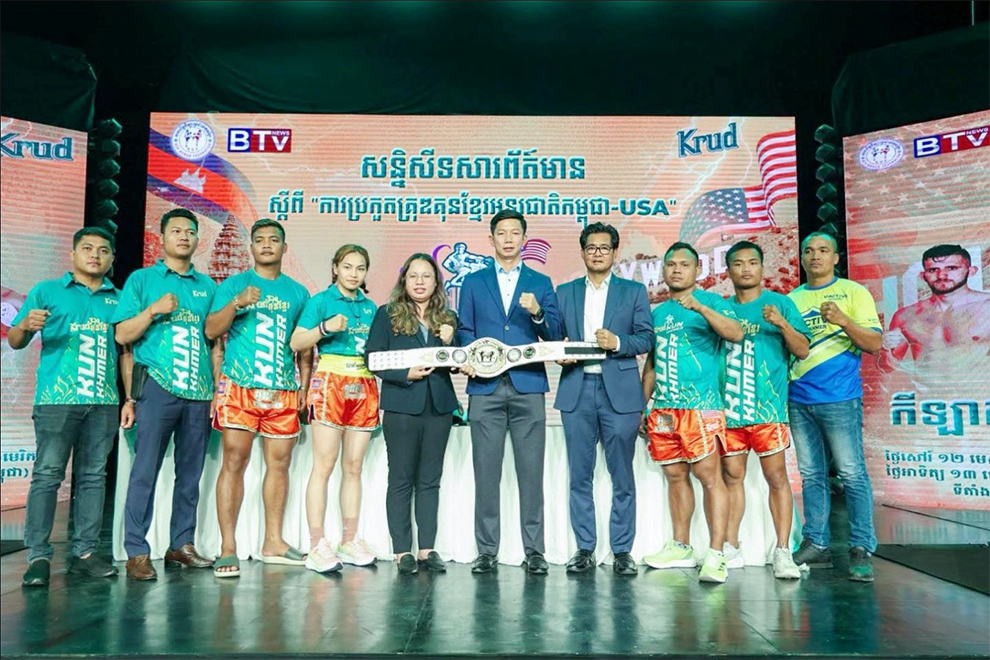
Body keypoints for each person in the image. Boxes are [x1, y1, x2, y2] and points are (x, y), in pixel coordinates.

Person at [11, 227, 132, 587]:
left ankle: (86, 553)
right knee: (48, 475)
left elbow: (125, 352)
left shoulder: (119, 299)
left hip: (103, 402)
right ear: (74, 254)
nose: (95, 255)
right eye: (88, 248)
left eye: (103, 250)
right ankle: (38, 556)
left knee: (93, 477)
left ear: (111, 259)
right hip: (56, 400)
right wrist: (25, 326)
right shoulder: (47, 291)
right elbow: (15, 340)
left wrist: (129, 398)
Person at [114, 208, 222, 580]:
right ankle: (136, 551)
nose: (183, 237)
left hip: (199, 392)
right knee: (145, 471)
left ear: (197, 239)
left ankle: (181, 545)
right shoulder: (142, 280)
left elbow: (215, 344)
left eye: (190, 231)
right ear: (162, 238)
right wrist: (153, 311)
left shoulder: (207, 286)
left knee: (190, 475)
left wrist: (216, 389)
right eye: (175, 231)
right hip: (157, 388)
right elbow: (123, 336)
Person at [456, 209, 562, 575]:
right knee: (486, 473)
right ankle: (487, 550)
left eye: (515, 233)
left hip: (527, 385)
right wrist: (469, 356)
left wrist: (537, 312)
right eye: (501, 233)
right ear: (491, 239)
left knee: (531, 474)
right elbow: (465, 329)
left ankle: (535, 551)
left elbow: (553, 334)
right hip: (484, 388)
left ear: (524, 239)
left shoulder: (541, 282)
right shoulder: (473, 282)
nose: (508, 239)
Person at [205, 219, 313, 577]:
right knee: (233, 462)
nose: (267, 245)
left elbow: (304, 347)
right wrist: (237, 303)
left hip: (282, 390)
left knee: (279, 465)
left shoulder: (298, 292)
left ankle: (274, 543)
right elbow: (212, 330)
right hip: (241, 387)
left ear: (284, 247)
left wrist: (304, 387)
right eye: (260, 240)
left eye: (274, 240)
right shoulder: (234, 285)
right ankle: (227, 548)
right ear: (251, 248)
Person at [640, 242, 743, 584]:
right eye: (671, 265)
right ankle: (681, 546)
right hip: (664, 409)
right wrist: (642, 404)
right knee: (674, 476)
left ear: (698, 270)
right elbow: (652, 364)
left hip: (701, 406)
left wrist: (700, 307)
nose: (677, 270)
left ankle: (716, 554)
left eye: (684, 265)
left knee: (709, 477)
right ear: (664, 270)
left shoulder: (712, 301)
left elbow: (736, 333)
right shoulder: (657, 313)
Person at [554, 223, 653, 576]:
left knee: (622, 475)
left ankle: (622, 550)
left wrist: (619, 343)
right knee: (579, 476)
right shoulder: (564, 292)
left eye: (604, 247)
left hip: (620, 392)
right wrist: (560, 353)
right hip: (577, 389)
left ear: (615, 252)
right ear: (582, 252)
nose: (597, 253)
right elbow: (555, 338)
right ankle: (585, 549)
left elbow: (646, 339)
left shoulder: (633, 291)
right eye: (591, 247)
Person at [788, 232, 882, 582]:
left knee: (852, 473)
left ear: (836, 258)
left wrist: (844, 320)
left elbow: (874, 343)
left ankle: (861, 548)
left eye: (823, 250)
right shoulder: (792, 299)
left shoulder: (853, 293)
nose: (815, 256)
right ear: (801, 258)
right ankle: (817, 543)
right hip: (799, 398)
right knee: (812, 476)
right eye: (809, 251)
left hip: (840, 398)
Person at [719, 241, 811, 579]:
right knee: (732, 478)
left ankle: (783, 551)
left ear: (761, 267)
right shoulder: (722, 308)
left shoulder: (779, 303)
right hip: (730, 411)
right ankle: (731, 547)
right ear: (728, 270)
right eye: (738, 263)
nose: (746, 269)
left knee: (776, 478)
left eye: (752, 263)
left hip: (768, 412)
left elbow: (802, 350)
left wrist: (782, 323)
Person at [365, 253, 459, 575]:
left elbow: (458, 361)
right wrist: (405, 373)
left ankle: (427, 549)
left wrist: (453, 339)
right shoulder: (387, 313)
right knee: (401, 479)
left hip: (439, 407)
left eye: (426, 276)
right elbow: (372, 358)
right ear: (404, 280)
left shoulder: (447, 317)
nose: (420, 282)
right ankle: (402, 550)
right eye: (413, 276)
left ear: (436, 282)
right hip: (402, 406)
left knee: (430, 480)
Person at [290, 244, 378, 573]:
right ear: (335, 268)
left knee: (353, 467)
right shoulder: (321, 301)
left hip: (364, 384)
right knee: (324, 466)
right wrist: (324, 328)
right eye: (348, 267)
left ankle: (349, 540)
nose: (354, 274)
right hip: (330, 383)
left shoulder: (370, 307)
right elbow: (296, 342)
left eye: (360, 268)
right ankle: (316, 545)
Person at [879, 244, 990, 382]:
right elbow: (886, 368)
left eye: (951, 268)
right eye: (933, 270)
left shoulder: (987, 307)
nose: (942, 275)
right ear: (923, 276)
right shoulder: (905, 316)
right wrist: (886, 348)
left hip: (979, 392)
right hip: (931, 393)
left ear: (971, 271)